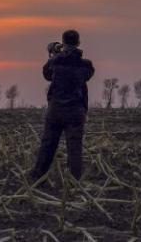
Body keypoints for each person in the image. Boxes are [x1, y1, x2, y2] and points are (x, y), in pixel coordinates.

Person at [30, 29, 94, 181]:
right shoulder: (85, 65)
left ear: (63, 43)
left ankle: (37, 177)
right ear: (78, 43)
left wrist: (55, 54)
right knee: (74, 148)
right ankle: (74, 181)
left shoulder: (55, 61)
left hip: (56, 110)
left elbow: (46, 74)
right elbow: (88, 75)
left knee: (48, 145)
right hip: (76, 111)